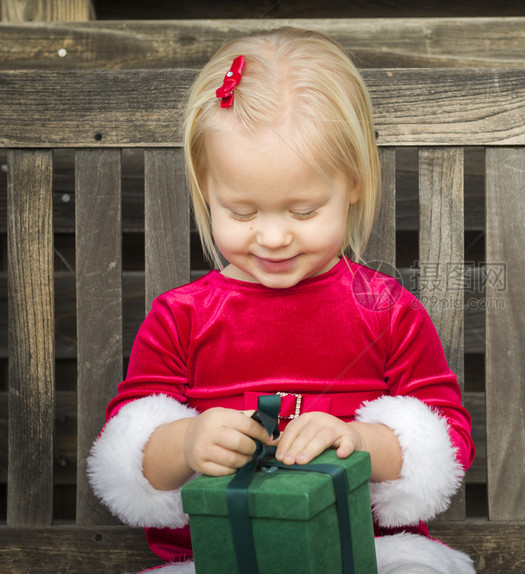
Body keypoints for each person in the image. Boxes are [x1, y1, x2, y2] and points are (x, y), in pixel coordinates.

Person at [87, 26, 475, 574]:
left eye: (303, 211)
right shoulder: (182, 318)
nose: (272, 237)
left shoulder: (385, 308)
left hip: (367, 553)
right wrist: (187, 440)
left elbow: (449, 441)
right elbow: (129, 457)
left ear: (354, 183)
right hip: (217, 555)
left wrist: (361, 439)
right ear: (205, 190)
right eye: (242, 213)